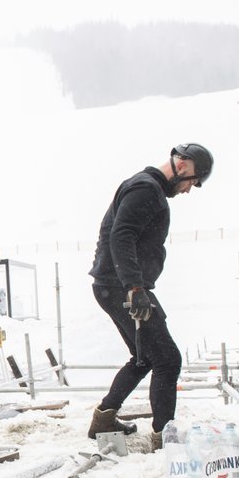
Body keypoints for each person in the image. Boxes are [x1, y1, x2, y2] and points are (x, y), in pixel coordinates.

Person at [87, 143, 214, 450]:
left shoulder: (146, 187)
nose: (188, 190)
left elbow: (119, 235)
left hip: (117, 285)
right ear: (182, 165)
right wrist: (134, 288)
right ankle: (164, 438)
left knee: (145, 358)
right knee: (168, 359)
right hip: (123, 288)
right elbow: (122, 235)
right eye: (191, 182)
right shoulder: (146, 189)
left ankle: (104, 419)